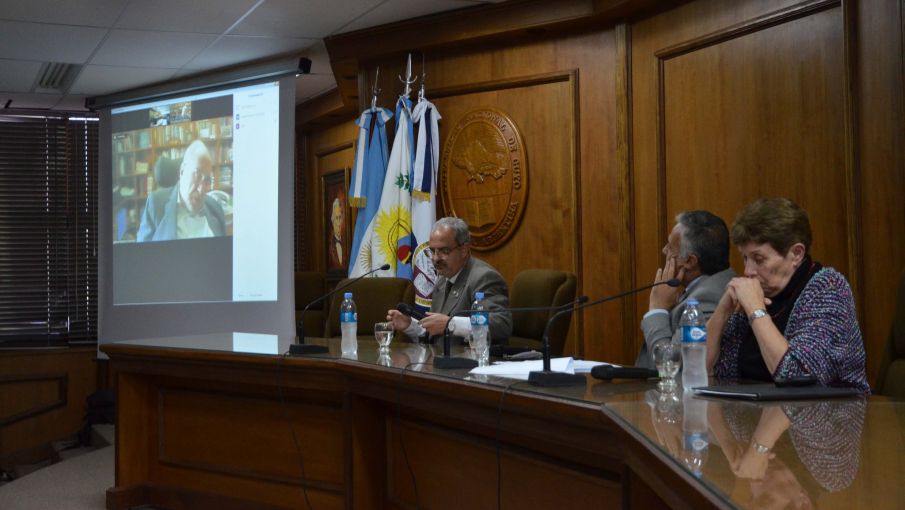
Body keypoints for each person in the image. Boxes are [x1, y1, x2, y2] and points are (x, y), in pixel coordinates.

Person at [707, 198, 869, 392]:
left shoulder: (828, 288)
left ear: (796, 254)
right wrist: (723, 311)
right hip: (753, 415)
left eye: (759, 259)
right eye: (745, 258)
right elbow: (700, 369)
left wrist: (756, 311)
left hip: (825, 416)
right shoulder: (756, 294)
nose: (748, 271)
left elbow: (797, 376)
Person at [386, 217, 513, 344]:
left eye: (444, 251)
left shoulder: (484, 277)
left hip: (475, 361)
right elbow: (436, 336)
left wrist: (451, 324)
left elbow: (501, 324)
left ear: (464, 250)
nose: (435, 258)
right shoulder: (442, 280)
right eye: (432, 251)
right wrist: (410, 326)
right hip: (442, 359)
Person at [636, 211, 735, 369]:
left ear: (689, 261)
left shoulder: (708, 298)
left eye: (670, 247)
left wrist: (657, 309)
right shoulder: (708, 285)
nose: (663, 250)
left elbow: (669, 364)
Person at [137, 140, 226, 242]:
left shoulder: (215, 209)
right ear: (182, 171)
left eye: (207, 179)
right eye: (197, 174)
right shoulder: (156, 205)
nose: (201, 189)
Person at [327, 197, 344, 269]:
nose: (339, 223)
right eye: (336, 218)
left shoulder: (347, 242)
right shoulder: (330, 245)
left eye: (340, 218)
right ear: (332, 219)